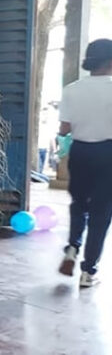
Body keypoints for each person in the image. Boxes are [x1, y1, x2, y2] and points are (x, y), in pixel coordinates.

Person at [58, 38, 112, 287]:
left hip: (80, 152)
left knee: (79, 204)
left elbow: (64, 128)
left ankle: (72, 246)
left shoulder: (72, 89)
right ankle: (88, 270)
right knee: (102, 212)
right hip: (108, 153)